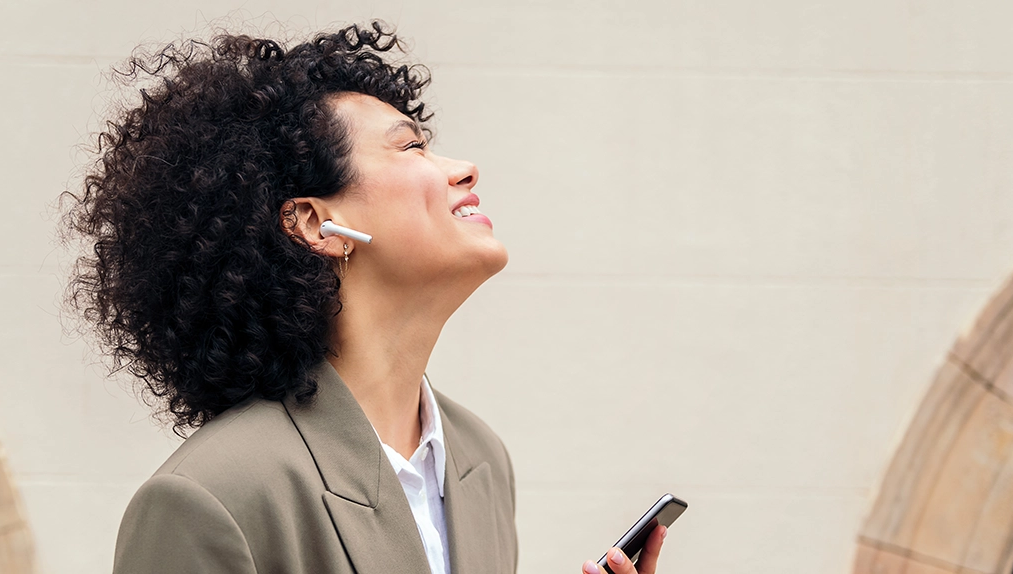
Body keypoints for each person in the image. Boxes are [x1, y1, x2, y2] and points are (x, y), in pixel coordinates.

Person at [63, 22, 668, 574]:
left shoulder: (480, 459)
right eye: (411, 148)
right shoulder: (211, 497)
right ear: (313, 223)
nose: (464, 168)